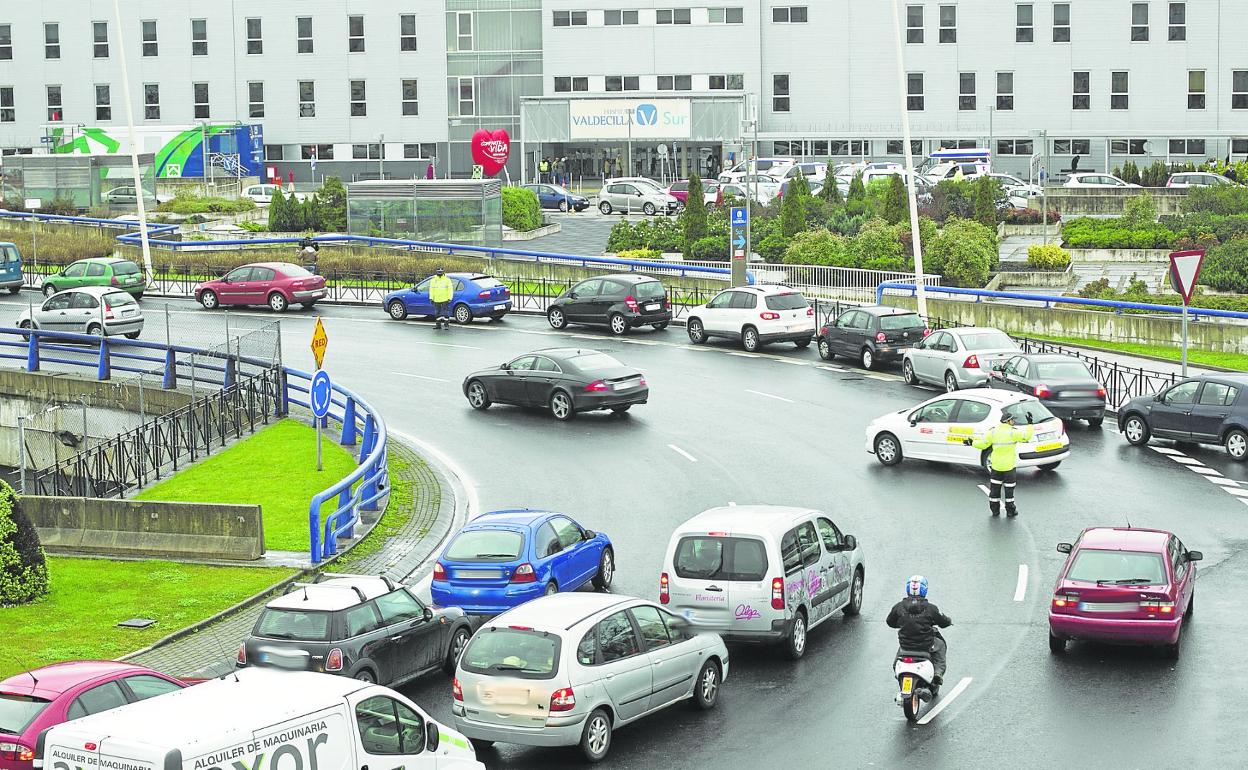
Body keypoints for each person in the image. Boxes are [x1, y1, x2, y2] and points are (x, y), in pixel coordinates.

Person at [886, 575, 951, 687]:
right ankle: (938, 673)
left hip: (905, 646)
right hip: (925, 646)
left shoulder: (899, 607)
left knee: (897, 659)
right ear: (924, 590)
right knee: (940, 645)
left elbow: (890, 622)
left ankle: (899, 673)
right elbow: (944, 623)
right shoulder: (931, 608)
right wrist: (948, 621)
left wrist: (901, 623)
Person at [969, 410, 1034, 517]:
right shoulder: (1013, 432)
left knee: (994, 490)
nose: (1014, 422)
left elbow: (982, 444)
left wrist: (972, 442)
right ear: (1008, 421)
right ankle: (1010, 511)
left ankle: (995, 511)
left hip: (996, 467)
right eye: (1013, 420)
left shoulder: (993, 432)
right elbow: (1027, 436)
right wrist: (1030, 424)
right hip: (1009, 467)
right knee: (1009, 491)